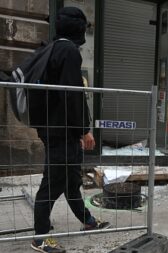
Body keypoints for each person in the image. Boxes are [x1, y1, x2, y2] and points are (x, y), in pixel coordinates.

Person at [31, 7, 109, 253]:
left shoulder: (54, 47)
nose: (85, 31)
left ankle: (88, 221)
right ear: (77, 28)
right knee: (52, 185)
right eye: (84, 26)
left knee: (71, 182)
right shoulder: (67, 51)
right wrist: (84, 130)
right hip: (61, 132)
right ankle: (40, 238)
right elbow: (72, 96)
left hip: (57, 130)